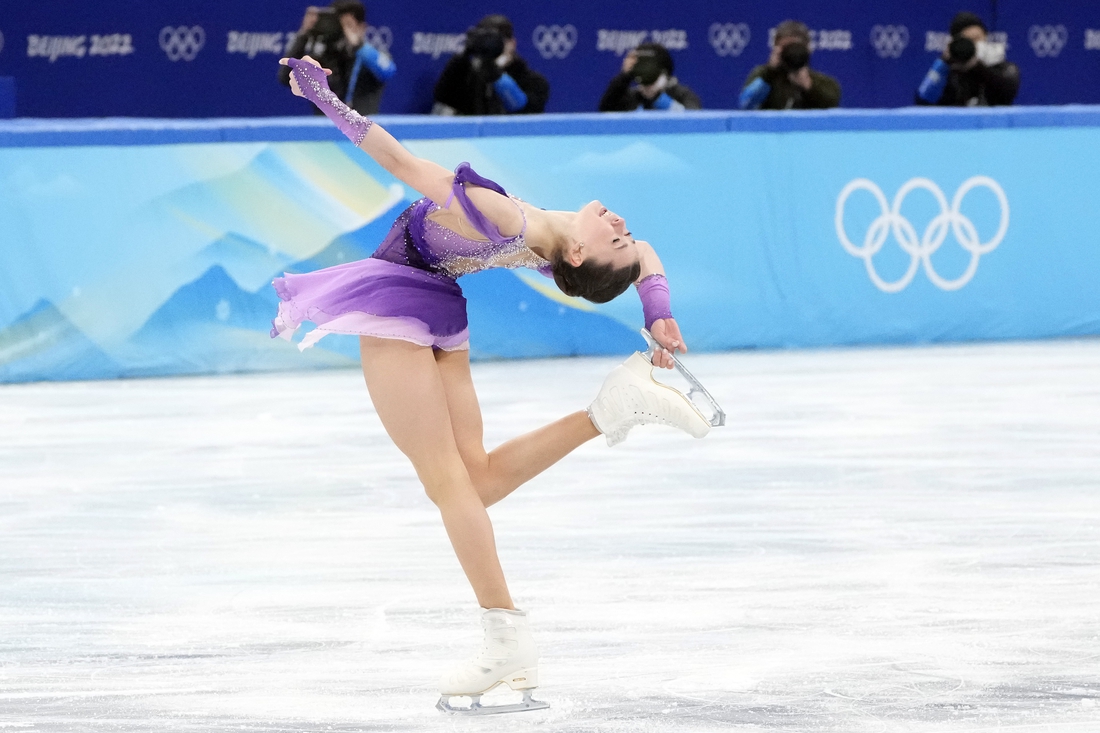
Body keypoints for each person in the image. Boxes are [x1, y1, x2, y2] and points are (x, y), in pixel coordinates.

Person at [275, 54, 714, 714]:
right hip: (440, 303)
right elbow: (645, 252)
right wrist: (657, 309)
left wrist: (327, 101)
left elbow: (399, 164)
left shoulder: (510, 219)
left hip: (400, 295)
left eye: (613, 240)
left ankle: (503, 630)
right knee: (473, 479)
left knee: (447, 482)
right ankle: (609, 412)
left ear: (575, 257)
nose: (624, 228)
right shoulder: (555, 238)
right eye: (620, 234)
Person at [279, 1, 395, 115]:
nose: (343, 31)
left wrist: (358, 46)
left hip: (363, 128)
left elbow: (388, 71)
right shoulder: (322, 58)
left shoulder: (371, 58)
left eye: (348, 25)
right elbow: (285, 77)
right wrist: (304, 35)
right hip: (325, 130)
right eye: (339, 25)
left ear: (362, 27)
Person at [432, 14, 549, 115]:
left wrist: (495, 73)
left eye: (498, 41)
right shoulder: (467, 77)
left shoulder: (534, 82)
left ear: (512, 43)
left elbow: (522, 108)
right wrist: (465, 55)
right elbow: (443, 97)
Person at [915, 12, 1019, 107]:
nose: (974, 45)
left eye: (977, 39)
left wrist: (976, 67)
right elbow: (923, 101)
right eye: (968, 41)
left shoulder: (1001, 67)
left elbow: (1007, 92)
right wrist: (943, 64)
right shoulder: (949, 71)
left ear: (986, 38)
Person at [739, 20, 841, 110]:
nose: (792, 52)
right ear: (776, 49)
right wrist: (769, 73)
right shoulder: (763, 76)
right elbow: (746, 104)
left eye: (796, 47)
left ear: (809, 49)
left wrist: (809, 85)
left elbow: (832, 104)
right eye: (786, 48)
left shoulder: (824, 83)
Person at [599, 42, 702, 112]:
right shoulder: (631, 97)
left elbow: (693, 121)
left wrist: (658, 98)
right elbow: (605, 110)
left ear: (664, 72)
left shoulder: (682, 94)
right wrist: (625, 76)